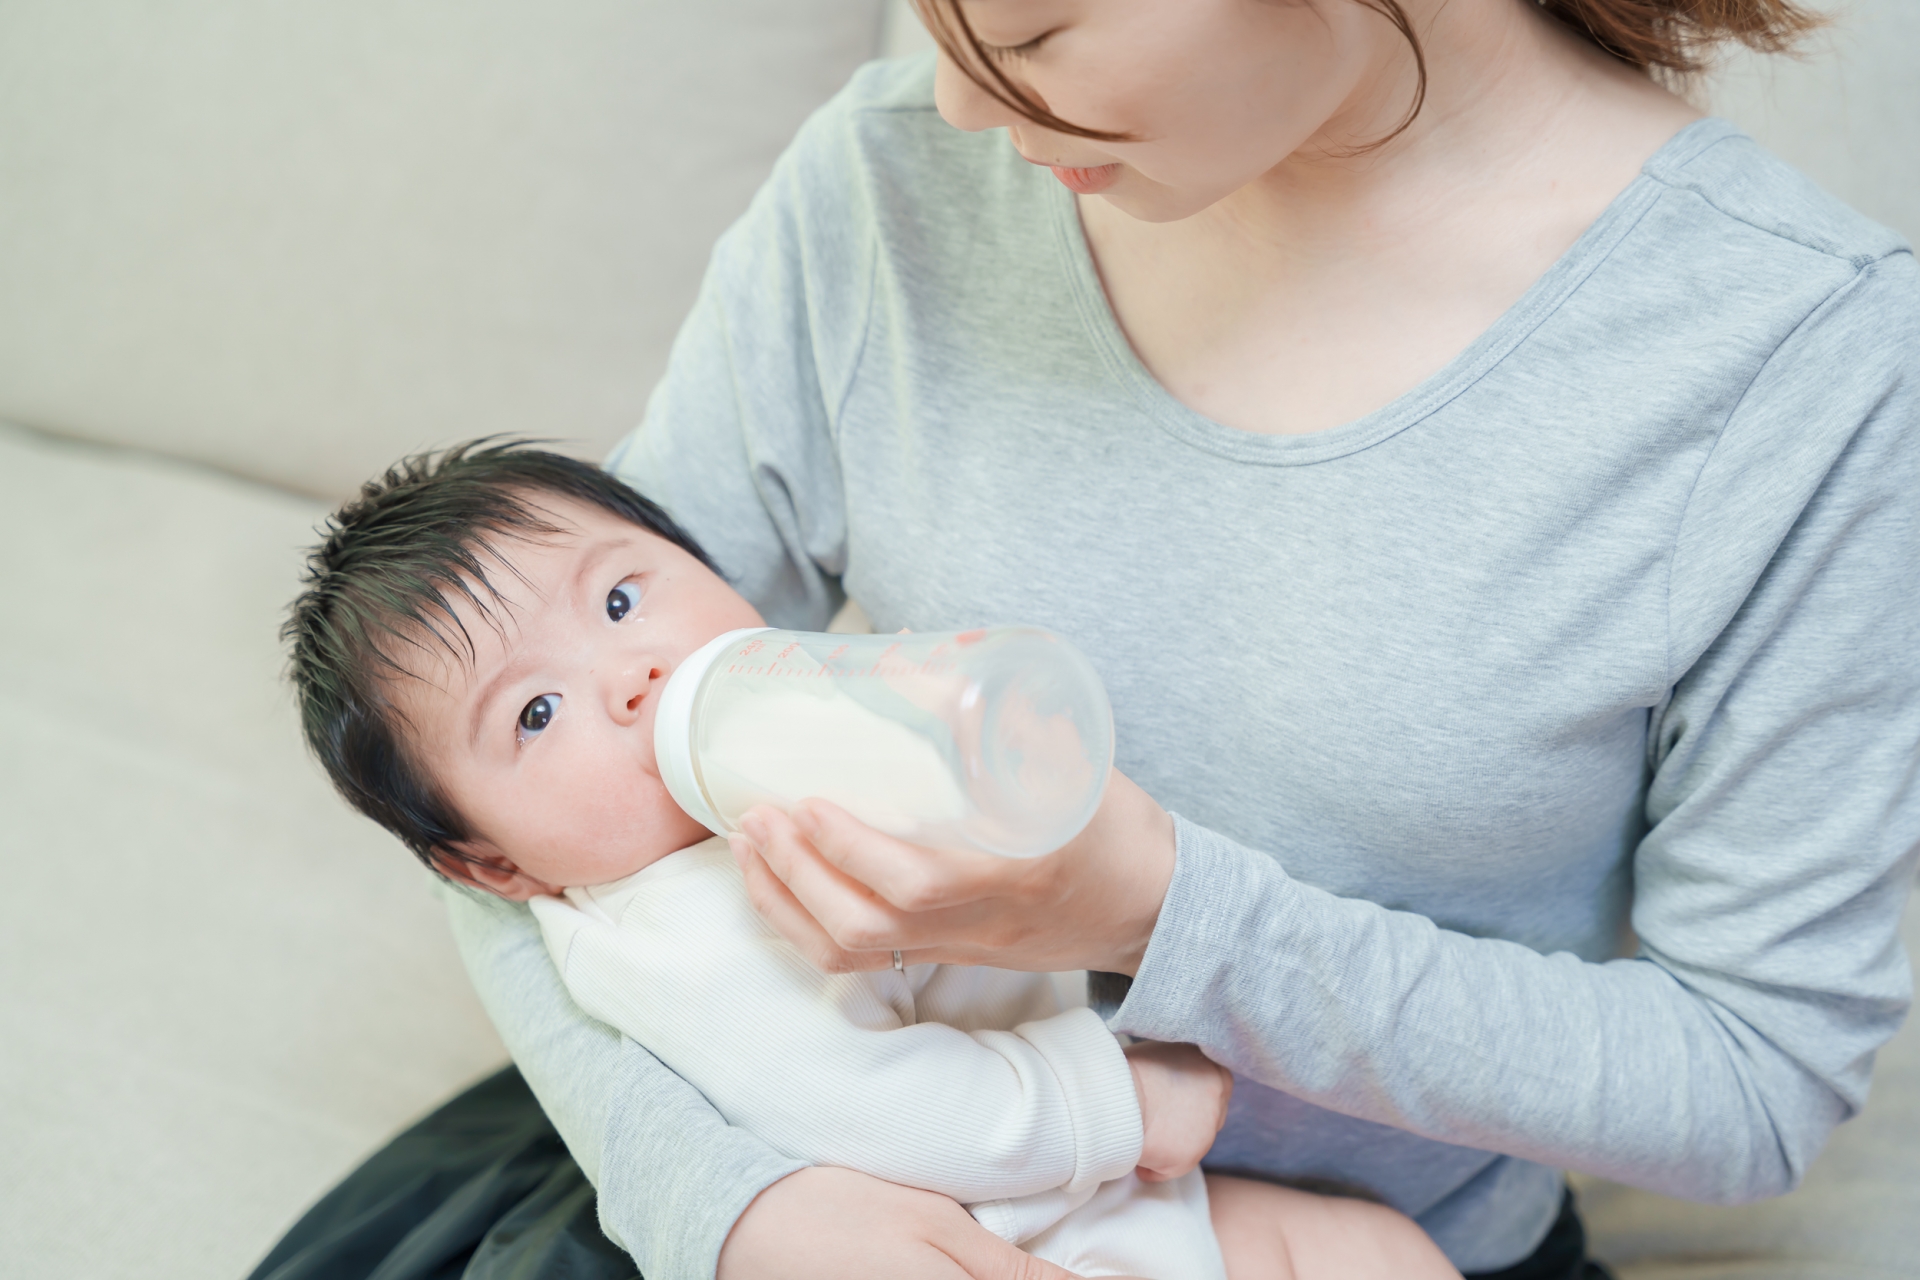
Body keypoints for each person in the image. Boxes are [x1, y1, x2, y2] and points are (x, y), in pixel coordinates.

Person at [443, 1, 1920, 1277]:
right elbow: (491, 768)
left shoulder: (1803, 374)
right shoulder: (890, 184)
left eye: (1025, 32)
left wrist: (1167, 922)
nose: (961, 99)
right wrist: (719, 1204)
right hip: (848, 1188)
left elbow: (1752, 1081)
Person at [282, 442, 1461, 1279]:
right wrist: (1122, 1099)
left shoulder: (798, 731)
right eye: (537, 714)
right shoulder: (683, 935)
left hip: (1116, 1200)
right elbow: (893, 1115)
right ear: (500, 870)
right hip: (1000, 1232)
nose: (629, 675)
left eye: (625, 595)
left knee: (1377, 1253)